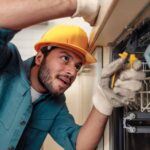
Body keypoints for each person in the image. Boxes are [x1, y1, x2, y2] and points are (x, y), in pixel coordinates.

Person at [0, 0, 145, 150]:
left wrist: (103, 101)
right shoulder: (6, 62)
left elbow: (79, 145)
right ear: (39, 58)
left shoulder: (55, 104)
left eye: (78, 66)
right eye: (65, 58)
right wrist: (75, 6)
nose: (72, 72)